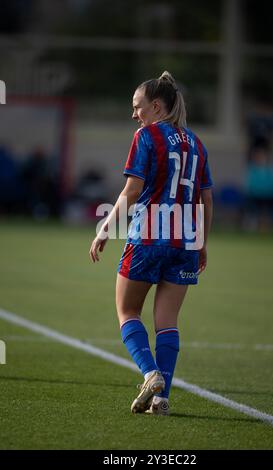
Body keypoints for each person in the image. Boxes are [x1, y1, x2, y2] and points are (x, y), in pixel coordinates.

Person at [89, 71, 213, 415]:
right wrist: (201, 241)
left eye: (137, 106)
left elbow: (131, 191)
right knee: (168, 322)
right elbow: (206, 199)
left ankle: (150, 374)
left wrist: (105, 228)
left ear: (156, 106)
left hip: (149, 236)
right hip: (186, 242)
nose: (134, 114)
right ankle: (161, 399)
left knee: (127, 312)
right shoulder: (197, 143)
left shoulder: (146, 136)